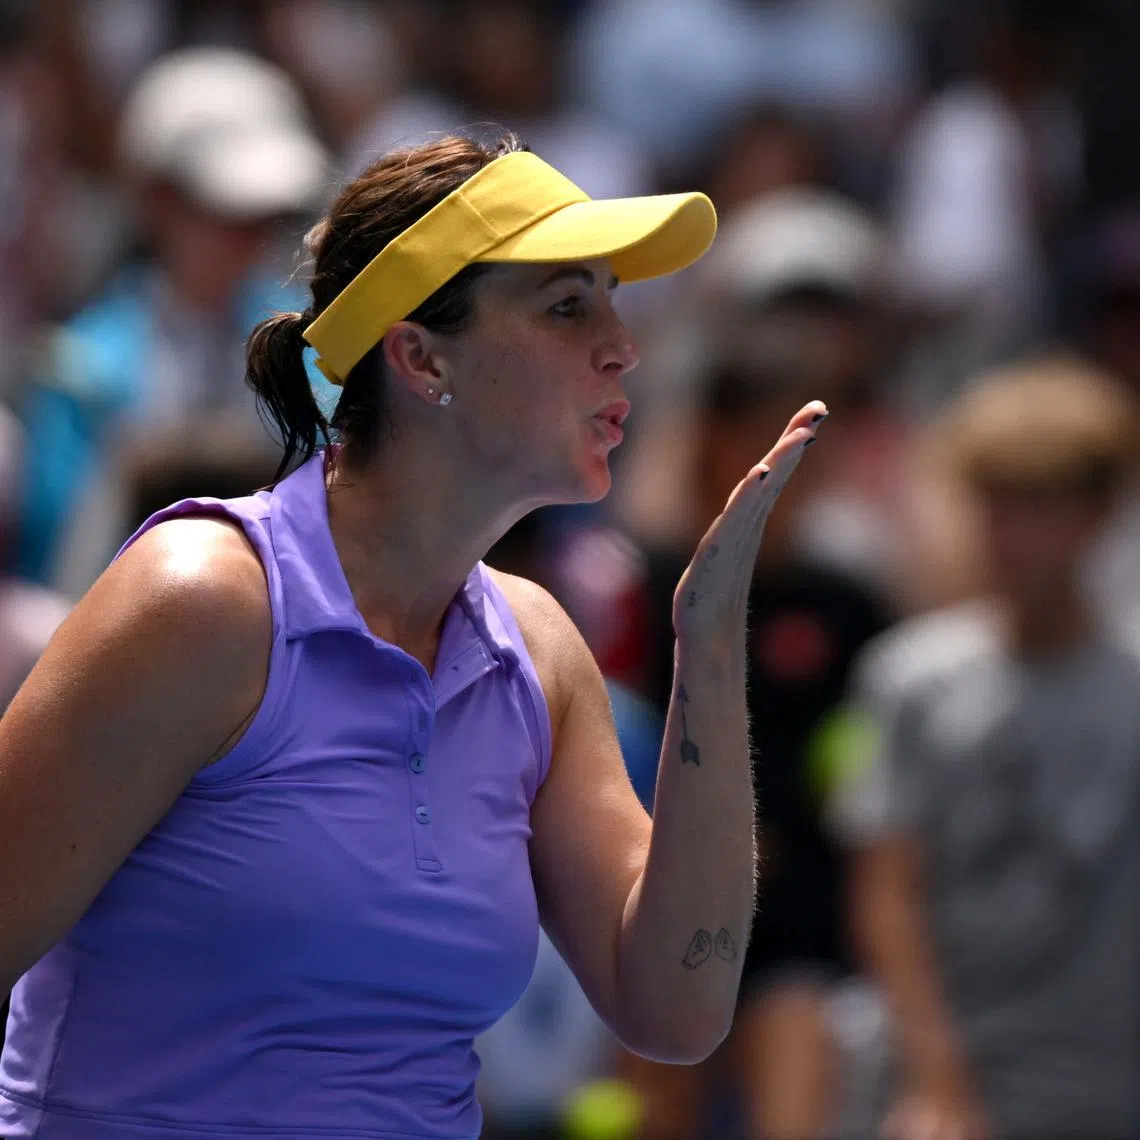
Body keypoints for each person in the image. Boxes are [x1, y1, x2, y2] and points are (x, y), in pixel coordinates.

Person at [0, 130, 828, 1139]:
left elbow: (676, 1010)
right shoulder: (201, 603)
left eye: (612, 300)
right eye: (569, 305)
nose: (624, 343)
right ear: (421, 356)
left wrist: (707, 649)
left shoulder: (542, 651)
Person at [828, 355, 1140, 1140]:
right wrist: (940, 1089)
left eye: (1043, 507)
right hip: (952, 1092)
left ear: (1101, 514)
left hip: (1109, 1087)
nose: (1014, 537)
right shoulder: (908, 678)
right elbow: (885, 892)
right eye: (995, 505)